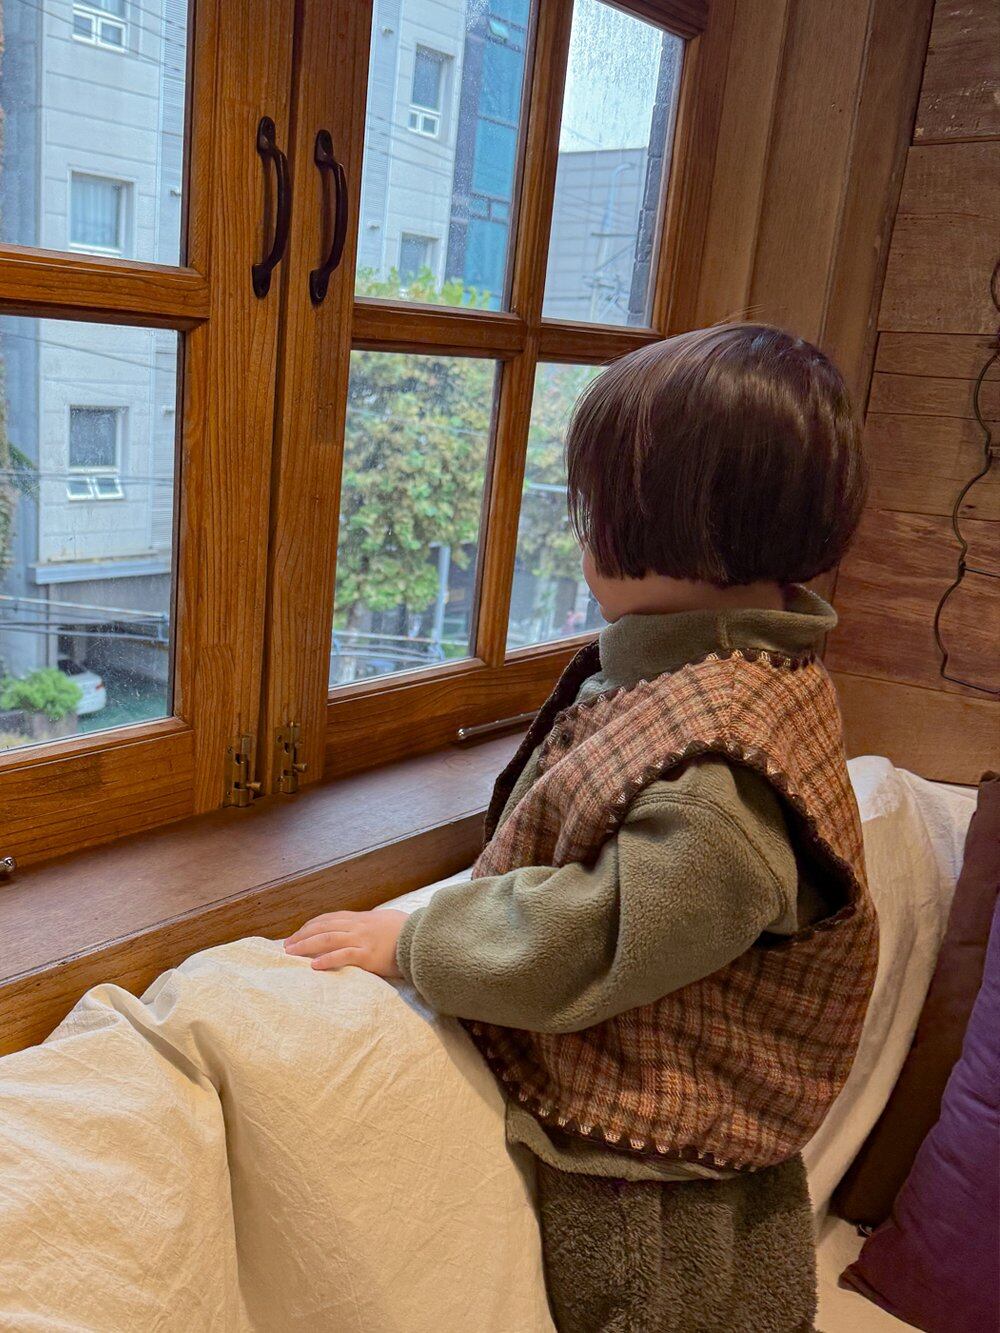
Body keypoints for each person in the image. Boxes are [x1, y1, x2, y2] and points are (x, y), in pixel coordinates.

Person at [284, 323, 878, 1333]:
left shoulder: (717, 776)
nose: (584, 533)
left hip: (658, 1152)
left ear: (676, 525)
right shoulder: (735, 659)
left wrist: (413, 940)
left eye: (600, 507)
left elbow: (601, 933)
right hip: (707, 1113)